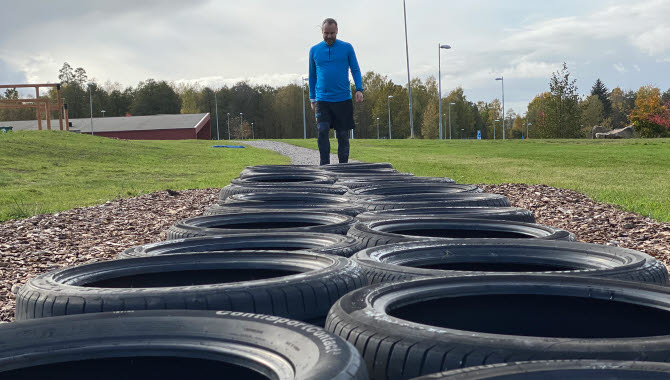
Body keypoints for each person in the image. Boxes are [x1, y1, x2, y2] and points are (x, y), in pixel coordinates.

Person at [309, 18, 364, 165]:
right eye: (326, 33)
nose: (329, 36)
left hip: (342, 98)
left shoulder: (347, 48)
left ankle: (343, 167)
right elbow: (312, 75)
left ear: (337, 31)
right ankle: (324, 165)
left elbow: (355, 69)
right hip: (322, 99)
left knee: (342, 135)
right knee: (322, 130)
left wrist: (359, 89)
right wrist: (312, 98)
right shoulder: (314, 50)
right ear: (322, 32)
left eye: (332, 33)